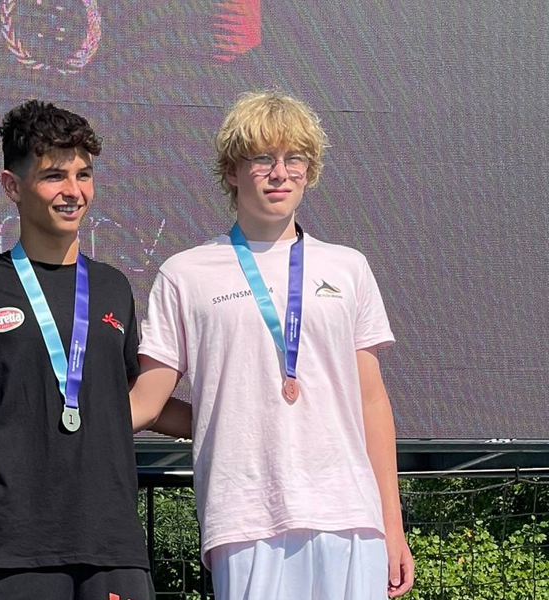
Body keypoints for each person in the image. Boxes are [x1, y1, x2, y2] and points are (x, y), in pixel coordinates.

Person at [0, 100, 184, 600]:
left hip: (113, 545)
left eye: (84, 175)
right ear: (13, 186)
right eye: (54, 176)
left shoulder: (113, 288)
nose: (74, 192)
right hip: (16, 548)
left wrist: (234, 417)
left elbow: (132, 404)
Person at [130, 91, 414, 599]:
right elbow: (146, 405)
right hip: (244, 516)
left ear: (310, 170)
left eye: (294, 159)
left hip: (350, 513)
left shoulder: (348, 267)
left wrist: (392, 524)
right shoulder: (185, 273)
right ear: (232, 171)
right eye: (263, 158)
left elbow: (371, 401)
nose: (280, 173)